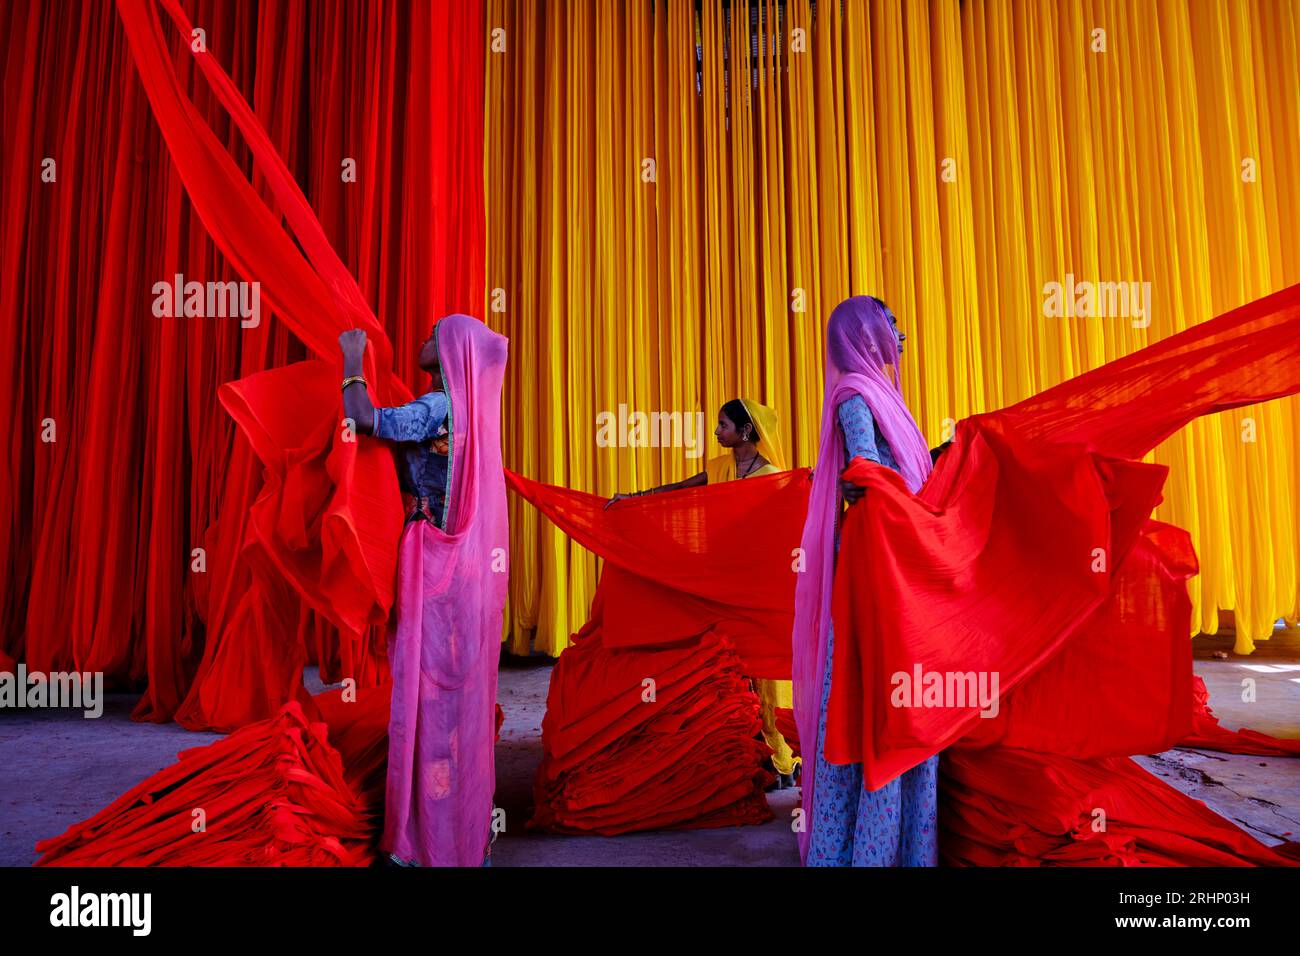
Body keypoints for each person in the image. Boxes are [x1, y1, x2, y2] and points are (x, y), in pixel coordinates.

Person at [339, 313, 509, 867]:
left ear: (452, 351)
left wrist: (351, 359)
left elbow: (364, 420)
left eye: (434, 334)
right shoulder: (474, 413)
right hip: (458, 562)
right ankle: (457, 830)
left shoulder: (438, 406)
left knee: (426, 690)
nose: (423, 338)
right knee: (452, 693)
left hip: (428, 554)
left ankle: (428, 836)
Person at [794, 295, 939, 866]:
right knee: (881, 692)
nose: (899, 332)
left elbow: (886, 474)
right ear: (864, 333)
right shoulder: (856, 393)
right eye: (890, 323)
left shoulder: (884, 395)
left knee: (904, 692)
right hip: (880, 553)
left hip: (898, 543)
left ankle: (903, 846)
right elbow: (864, 471)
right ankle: (869, 851)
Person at [607, 399, 799, 786]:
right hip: (716, 576)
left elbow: (780, 533)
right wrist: (634, 500)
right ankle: (731, 747)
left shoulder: (772, 475)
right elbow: (680, 491)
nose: (716, 432)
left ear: (746, 431)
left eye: (723, 425)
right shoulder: (720, 468)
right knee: (721, 657)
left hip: (751, 584)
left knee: (758, 666)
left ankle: (774, 751)